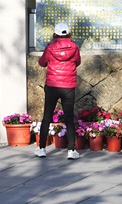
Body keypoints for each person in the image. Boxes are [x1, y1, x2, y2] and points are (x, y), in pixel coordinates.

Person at [35, 22, 82, 160]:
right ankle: (71, 150)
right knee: (69, 117)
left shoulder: (50, 48)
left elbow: (42, 63)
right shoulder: (74, 47)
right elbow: (77, 62)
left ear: (55, 33)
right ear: (68, 33)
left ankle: (42, 148)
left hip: (52, 86)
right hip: (68, 87)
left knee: (47, 117)